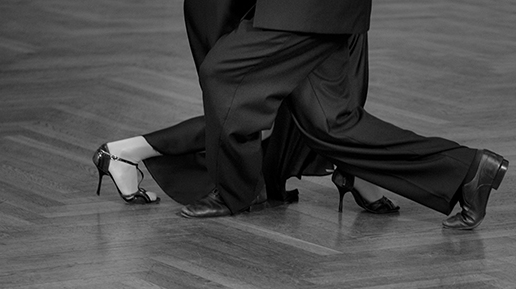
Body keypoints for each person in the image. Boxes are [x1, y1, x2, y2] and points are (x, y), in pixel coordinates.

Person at [181, 0, 508, 229]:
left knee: (222, 73)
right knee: (331, 124)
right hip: (319, 12)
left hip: (303, 10)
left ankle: (236, 190)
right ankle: (469, 170)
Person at [92, 0, 398, 213]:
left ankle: (352, 170)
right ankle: (128, 151)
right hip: (239, 8)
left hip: (281, 9)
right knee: (253, 111)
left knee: (299, 97)